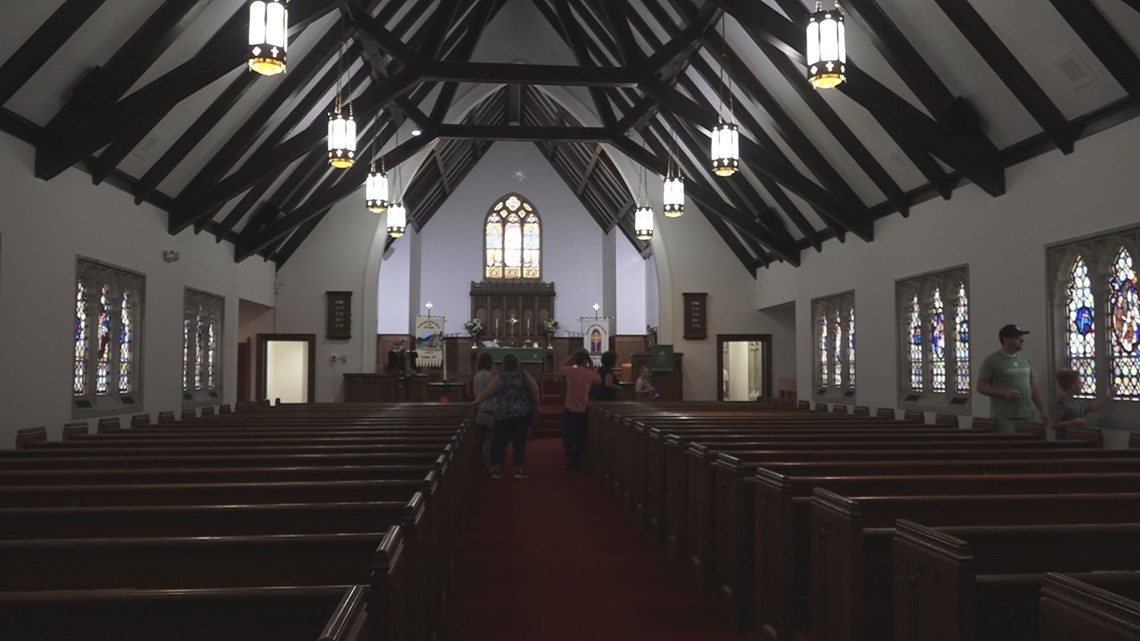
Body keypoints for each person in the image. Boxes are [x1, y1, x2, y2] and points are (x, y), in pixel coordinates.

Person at [471, 354, 539, 480]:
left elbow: (487, 392)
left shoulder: (499, 378)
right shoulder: (524, 376)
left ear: (504, 364)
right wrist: (536, 407)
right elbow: (534, 391)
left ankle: (498, 470)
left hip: (502, 414)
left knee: (500, 443)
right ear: (517, 364)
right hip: (521, 414)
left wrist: (477, 401)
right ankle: (520, 469)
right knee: (519, 443)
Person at [977, 324, 1051, 433]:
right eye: (1017, 337)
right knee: (1010, 447)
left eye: (1022, 337)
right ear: (1006, 340)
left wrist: (1042, 410)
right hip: (1005, 417)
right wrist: (1003, 393)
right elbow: (980, 387)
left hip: (1027, 414)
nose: (1022, 340)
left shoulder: (1026, 359)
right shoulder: (992, 361)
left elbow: (1032, 386)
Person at [560, 349, 601, 470]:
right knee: (579, 438)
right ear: (586, 362)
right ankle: (577, 461)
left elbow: (561, 366)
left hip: (569, 408)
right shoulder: (588, 374)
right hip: (581, 410)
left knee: (567, 437)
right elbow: (599, 380)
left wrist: (572, 356)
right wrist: (593, 367)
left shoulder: (570, 371)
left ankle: (570, 459)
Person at [471, 352, 496, 473]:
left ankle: (482, 462)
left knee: (482, 438)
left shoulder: (477, 375)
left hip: (480, 408)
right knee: (488, 438)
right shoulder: (488, 375)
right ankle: (487, 464)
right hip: (488, 408)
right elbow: (490, 392)